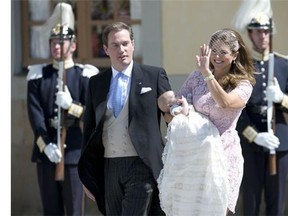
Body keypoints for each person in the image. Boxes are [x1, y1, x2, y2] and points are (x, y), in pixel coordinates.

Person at [77, 21, 171, 215]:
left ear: (133, 45)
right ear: (106, 49)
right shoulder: (96, 83)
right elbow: (89, 129)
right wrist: (87, 175)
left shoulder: (154, 75)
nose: (122, 49)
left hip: (142, 165)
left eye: (126, 43)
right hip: (109, 167)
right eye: (115, 45)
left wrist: (177, 110)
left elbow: (171, 117)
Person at [26, 3, 99, 215]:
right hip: (46, 153)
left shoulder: (85, 75)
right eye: (53, 43)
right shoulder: (38, 76)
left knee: (75, 210)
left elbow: (91, 115)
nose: (56, 47)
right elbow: (35, 116)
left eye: (61, 42)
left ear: (73, 46)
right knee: (51, 210)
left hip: (75, 154)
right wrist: (45, 145)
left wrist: (71, 106)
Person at [176, 28, 256, 214]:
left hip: (225, 154)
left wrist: (207, 74)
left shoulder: (243, 84)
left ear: (235, 55)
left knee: (219, 210)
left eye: (223, 52)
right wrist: (177, 108)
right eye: (214, 51)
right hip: (196, 154)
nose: (217, 56)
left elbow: (225, 102)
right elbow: (177, 102)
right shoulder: (196, 76)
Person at [236, 12, 288, 215]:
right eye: (258, 32)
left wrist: (281, 98)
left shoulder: (283, 65)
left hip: (279, 141)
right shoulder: (242, 67)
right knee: (251, 201)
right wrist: (254, 136)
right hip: (251, 143)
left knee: (277, 201)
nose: (263, 36)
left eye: (266, 31)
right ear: (250, 34)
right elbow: (237, 110)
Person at [157, 90, 229, 216]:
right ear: (169, 106)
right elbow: (184, 113)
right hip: (189, 128)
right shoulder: (175, 109)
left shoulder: (175, 105)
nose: (177, 96)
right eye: (173, 97)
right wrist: (185, 103)